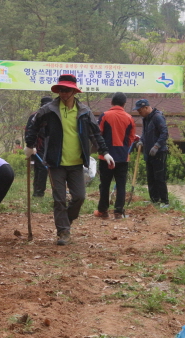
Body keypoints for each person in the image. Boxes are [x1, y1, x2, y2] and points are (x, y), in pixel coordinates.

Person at [24, 74, 115, 246]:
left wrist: (105, 151)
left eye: (66, 90)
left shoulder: (84, 112)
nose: (63, 93)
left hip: (77, 162)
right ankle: (63, 232)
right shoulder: (48, 110)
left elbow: (95, 133)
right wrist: (30, 145)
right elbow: (33, 126)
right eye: (60, 90)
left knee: (79, 197)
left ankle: (66, 220)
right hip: (55, 161)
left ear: (74, 91)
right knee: (59, 199)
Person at [94, 92, 137, 219]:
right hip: (123, 157)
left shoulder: (105, 115)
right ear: (124, 104)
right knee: (121, 184)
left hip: (105, 156)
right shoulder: (129, 118)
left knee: (104, 184)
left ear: (111, 102)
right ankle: (118, 212)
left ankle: (103, 211)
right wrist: (123, 148)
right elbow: (131, 138)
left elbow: (98, 134)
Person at [133, 99, 169, 207]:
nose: (139, 113)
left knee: (159, 178)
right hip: (148, 153)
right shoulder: (146, 119)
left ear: (146, 108)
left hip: (159, 153)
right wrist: (141, 141)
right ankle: (154, 200)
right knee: (151, 178)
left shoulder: (157, 117)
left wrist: (157, 146)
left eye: (140, 110)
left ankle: (164, 201)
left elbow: (164, 133)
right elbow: (145, 133)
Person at [25, 96, 52, 197]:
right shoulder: (34, 116)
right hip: (38, 147)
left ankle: (41, 191)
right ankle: (38, 192)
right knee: (41, 169)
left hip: (50, 147)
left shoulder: (53, 116)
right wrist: (31, 146)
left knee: (46, 169)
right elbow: (28, 132)